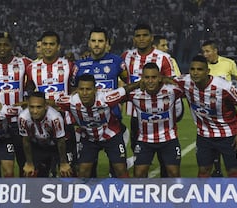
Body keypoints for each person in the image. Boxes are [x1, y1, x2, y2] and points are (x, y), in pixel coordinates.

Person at [121, 23, 183, 178]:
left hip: (163, 117)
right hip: (138, 116)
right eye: (138, 36)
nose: (141, 39)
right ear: (134, 38)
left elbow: (172, 83)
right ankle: (145, 196)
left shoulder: (164, 58)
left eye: (145, 35)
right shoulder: (126, 57)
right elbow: (118, 73)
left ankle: (166, 194)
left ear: (151, 37)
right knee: (140, 163)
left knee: (166, 164)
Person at [175, 55, 237, 178]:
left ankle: (235, 196)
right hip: (204, 136)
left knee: (233, 172)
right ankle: (203, 196)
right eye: (192, 69)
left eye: (199, 69)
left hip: (228, 135)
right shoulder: (185, 81)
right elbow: (164, 80)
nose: (195, 73)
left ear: (207, 71)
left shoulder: (224, 87)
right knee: (203, 171)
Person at [56, 74, 140, 178]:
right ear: (77, 90)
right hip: (89, 138)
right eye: (81, 89)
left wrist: (143, 82)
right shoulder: (71, 101)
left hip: (111, 136)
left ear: (95, 90)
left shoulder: (106, 98)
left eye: (88, 89)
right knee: (83, 171)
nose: (85, 93)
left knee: (120, 169)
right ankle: (84, 193)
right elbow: (50, 103)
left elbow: (126, 89)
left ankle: (126, 192)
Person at [72, 27, 128, 177]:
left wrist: (120, 101)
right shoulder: (79, 66)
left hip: (112, 125)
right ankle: (89, 199)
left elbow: (128, 84)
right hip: (88, 128)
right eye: (94, 41)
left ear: (107, 44)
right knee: (86, 172)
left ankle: (120, 199)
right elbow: (72, 91)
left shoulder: (116, 62)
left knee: (118, 170)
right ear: (89, 43)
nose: (97, 44)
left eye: (100, 41)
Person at [0, 32, 32, 177]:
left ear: (12, 46)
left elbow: (42, 72)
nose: (2, 48)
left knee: (23, 160)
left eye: (6, 44)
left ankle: (24, 192)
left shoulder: (24, 63)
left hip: (18, 122)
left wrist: (29, 98)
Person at [26, 30, 77, 176]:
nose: (48, 47)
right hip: (41, 126)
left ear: (58, 47)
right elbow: (29, 92)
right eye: (45, 44)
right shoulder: (31, 69)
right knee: (42, 171)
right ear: (40, 46)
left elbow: (75, 90)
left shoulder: (69, 66)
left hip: (65, 123)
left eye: (52, 44)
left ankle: (70, 198)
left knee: (68, 169)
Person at [201, 40, 237, 177]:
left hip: (228, 107)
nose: (205, 54)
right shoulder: (203, 67)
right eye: (203, 51)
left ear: (215, 50)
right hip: (210, 108)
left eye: (207, 51)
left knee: (235, 136)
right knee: (213, 137)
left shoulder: (228, 63)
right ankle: (217, 170)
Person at [128, 63, 183, 177]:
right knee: (139, 174)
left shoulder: (171, 91)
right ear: (142, 78)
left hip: (169, 139)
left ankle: (175, 195)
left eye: (154, 77)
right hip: (145, 140)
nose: (150, 81)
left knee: (173, 173)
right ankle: (141, 195)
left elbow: (189, 87)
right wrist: (135, 85)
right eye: (147, 77)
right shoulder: (134, 94)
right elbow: (114, 96)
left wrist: (168, 79)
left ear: (159, 78)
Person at [18, 91, 73, 177]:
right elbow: (26, 141)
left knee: (68, 172)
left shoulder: (55, 118)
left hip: (57, 145)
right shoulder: (23, 118)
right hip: (39, 145)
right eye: (31, 107)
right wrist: (29, 163)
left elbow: (60, 141)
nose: (35, 111)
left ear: (46, 107)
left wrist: (63, 163)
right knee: (30, 173)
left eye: (39, 107)